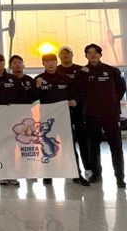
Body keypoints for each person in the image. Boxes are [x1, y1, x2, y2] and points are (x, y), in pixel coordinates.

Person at [35, 53, 89, 186]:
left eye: (53, 61)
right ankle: (48, 174)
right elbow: (32, 97)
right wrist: (37, 87)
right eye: (47, 61)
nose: (50, 64)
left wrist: (74, 100)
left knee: (69, 147)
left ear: (56, 62)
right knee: (47, 147)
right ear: (43, 64)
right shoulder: (39, 78)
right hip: (47, 120)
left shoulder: (65, 78)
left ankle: (76, 174)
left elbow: (74, 94)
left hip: (65, 118)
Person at [76, 44, 126, 188]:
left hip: (111, 115)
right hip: (91, 115)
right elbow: (78, 90)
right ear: (86, 56)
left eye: (95, 52)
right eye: (89, 53)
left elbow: (121, 88)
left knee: (116, 147)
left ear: (100, 55)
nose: (93, 55)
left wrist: (112, 101)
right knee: (93, 147)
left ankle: (120, 178)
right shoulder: (82, 73)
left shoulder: (112, 71)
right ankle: (96, 174)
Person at [0, 53, 24, 186]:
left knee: (11, 147)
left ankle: (11, 175)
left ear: (4, 62)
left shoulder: (13, 78)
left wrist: (13, 105)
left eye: (0, 61)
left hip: (11, 118)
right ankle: (2, 175)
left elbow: (22, 96)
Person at [57, 45, 92, 179]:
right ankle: (71, 169)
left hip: (80, 111)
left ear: (72, 55)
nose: (65, 55)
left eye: (68, 53)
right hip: (62, 113)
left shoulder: (82, 70)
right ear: (59, 56)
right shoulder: (56, 70)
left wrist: (78, 101)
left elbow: (87, 90)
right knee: (66, 143)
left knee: (83, 141)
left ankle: (88, 168)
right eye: (62, 53)